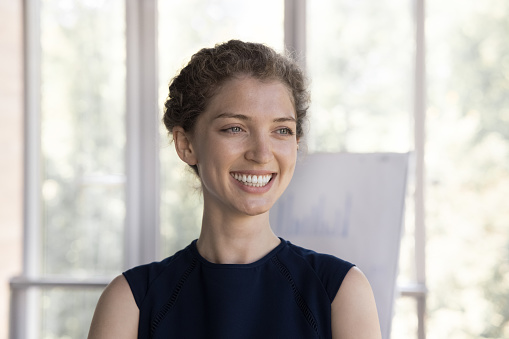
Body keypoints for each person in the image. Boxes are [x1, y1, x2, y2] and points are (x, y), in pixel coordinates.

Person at [88, 40, 381, 339]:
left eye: (282, 130)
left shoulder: (341, 292)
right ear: (186, 145)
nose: (262, 153)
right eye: (235, 128)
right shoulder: (131, 302)